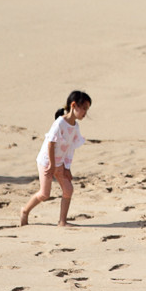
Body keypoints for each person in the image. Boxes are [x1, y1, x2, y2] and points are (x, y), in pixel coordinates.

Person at [20, 91, 92, 227]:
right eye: (83, 108)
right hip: (47, 162)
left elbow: (70, 149)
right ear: (73, 105)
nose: (85, 113)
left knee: (68, 189)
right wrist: (52, 165)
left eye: (87, 109)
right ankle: (25, 210)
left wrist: (67, 168)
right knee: (44, 194)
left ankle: (62, 221)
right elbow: (51, 143)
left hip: (59, 163)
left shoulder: (75, 127)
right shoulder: (60, 123)